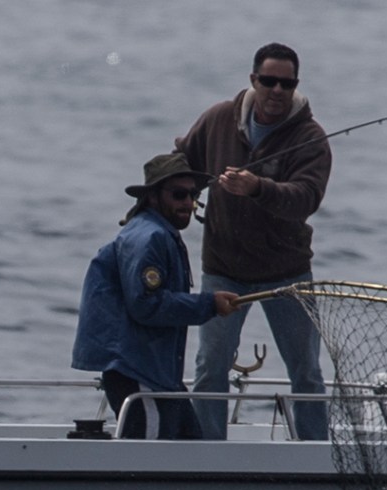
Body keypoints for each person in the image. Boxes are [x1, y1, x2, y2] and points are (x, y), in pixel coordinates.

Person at [174, 42, 332, 440]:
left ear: (295, 85)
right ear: (253, 80)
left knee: (307, 371)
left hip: (288, 273)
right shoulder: (217, 120)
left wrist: (257, 187)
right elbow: (181, 165)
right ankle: (207, 455)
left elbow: (305, 199)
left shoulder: (310, 137)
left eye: (286, 83)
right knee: (211, 366)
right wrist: (176, 200)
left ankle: (315, 454)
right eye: (269, 81)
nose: (277, 91)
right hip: (224, 269)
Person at [71, 153, 239, 439]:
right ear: (151, 197)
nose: (188, 203)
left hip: (158, 374)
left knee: (191, 450)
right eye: (178, 195)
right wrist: (208, 304)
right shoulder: (150, 237)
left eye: (193, 195)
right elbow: (146, 305)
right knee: (149, 462)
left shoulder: (163, 233)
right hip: (137, 372)